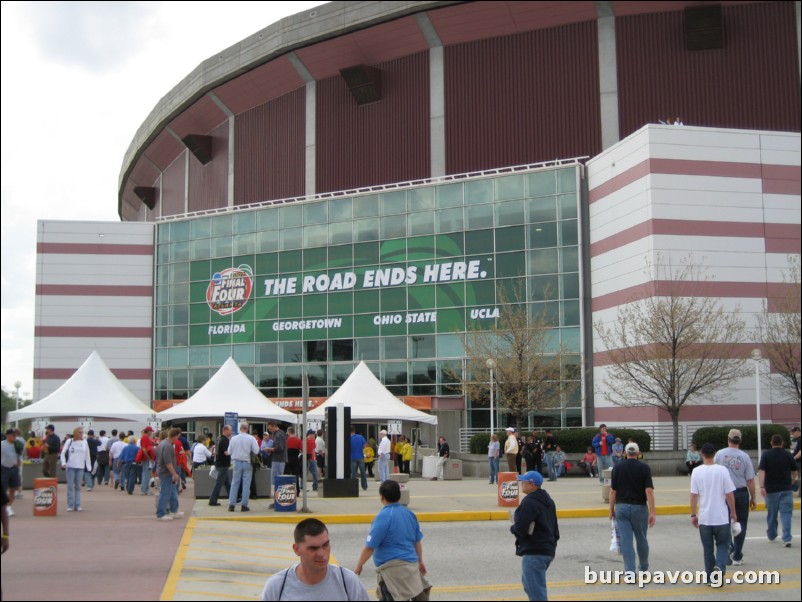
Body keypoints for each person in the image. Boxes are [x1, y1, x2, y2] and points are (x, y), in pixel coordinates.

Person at [354, 480, 430, 601]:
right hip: (411, 569)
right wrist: (420, 561)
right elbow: (417, 541)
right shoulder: (410, 514)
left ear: (382, 497)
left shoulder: (383, 517)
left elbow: (370, 547)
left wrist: (359, 566)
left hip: (392, 573)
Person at [261, 518, 369, 601]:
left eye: (325, 545)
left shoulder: (348, 582)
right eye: (313, 548)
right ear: (297, 549)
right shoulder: (277, 586)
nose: (322, 554)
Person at [690, 442, 737, 579]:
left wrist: (693, 514)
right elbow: (729, 494)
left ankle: (710, 576)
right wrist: (733, 512)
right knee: (723, 544)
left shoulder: (696, 471)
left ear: (702, 454)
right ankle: (720, 565)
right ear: (714, 454)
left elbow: (694, 495)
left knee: (708, 549)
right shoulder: (722, 470)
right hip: (721, 517)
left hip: (705, 517)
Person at [510, 471, 559, 601]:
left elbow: (520, 528)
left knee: (536, 592)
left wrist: (513, 527)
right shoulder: (549, 501)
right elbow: (554, 527)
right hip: (547, 550)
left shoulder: (529, 502)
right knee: (530, 586)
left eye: (524, 482)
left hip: (534, 551)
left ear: (532, 485)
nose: (521, 484)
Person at [609, 441, 656, 576]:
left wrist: (611, 510)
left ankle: (630, 572)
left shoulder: (617, 467)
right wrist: (652, 511)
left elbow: (613, 491)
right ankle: (643, 569)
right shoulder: (644, 468)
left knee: (626, 540)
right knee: (641, 538)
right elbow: (649, 491)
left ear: (624, 453)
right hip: (639, 507)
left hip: (622, 507)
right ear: (638, 453)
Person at [714, 429, 756, 565]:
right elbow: (750, 479)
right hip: (741, 492)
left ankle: (728, 546)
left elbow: (713, 473)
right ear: (740, 440)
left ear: (728, 439)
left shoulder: (719, 454)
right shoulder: (744, 456)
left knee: (724, 523)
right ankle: (737, 555)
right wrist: (753, 497)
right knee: (741, 523)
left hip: (724, 493)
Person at [758, 433, 798, 547]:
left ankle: (771, 535)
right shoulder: (787, 454)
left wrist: (761, 486)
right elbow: (794, 470)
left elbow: (762, 471)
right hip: (786, 488)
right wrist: (793, 480)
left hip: (771, 490)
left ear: (771, 443)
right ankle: (787, 538)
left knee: (772, 514)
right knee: (786, 514)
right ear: (782, 443)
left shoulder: (766, 455)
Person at [228, 422, 260, 512]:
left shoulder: (233, 438)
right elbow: (256, 451)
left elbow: (229, 451)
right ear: (247, 429)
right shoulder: (251, 438)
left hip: (236, 462)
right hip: (247, 462)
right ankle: (244, 505)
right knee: (246, 484)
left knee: (234, 483)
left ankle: (232, 504)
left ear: (240, 429)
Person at [60, 426, 93, 512]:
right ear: (75, 433)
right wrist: (63, 463)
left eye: (82, 432)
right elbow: (63, 453)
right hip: (70, 466)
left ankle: (77, 505)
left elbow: (87, 455)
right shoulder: (69, 441)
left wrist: (88, 467)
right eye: (80, 432)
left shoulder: (84, 442)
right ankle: (70, 505)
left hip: (80, 467)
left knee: (78, 486)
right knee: (70, 486)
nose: (81, 434)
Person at [156, 428, 184, 521]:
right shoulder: (168, 446)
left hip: (163, 471)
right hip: (166, 472)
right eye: (178, 437)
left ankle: (174, 510)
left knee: (172, 492)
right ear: (175, 436)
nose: (178, 439)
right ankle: (161, 514)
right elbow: (168, 462)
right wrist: (174, 473)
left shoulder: (163, 443)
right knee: (165, 493)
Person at [209, 425, 232, 506]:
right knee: (219, 483)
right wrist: (233, 452)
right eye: (230, 430)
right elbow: (226, 452)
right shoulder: (225, 440)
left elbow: (216, 451)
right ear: (225, 430)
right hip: (223, 464)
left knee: (227, 482)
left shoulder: (218, 438)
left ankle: (233, 497)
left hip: (219, 463)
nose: (231, 432)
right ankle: (212, 500)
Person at [266, 421, 287, 510]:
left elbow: (280, 448)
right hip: (279, 460)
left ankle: (277, 501)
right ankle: (277, 500)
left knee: (277, 481)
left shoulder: (278, 435)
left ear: (274, 426)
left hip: (278, 460)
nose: (269, 430)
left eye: (270, 428)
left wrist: (269, 449)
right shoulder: (280, 434)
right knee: (277, 481)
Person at [1, 430, 22, 516]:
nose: (14, 437)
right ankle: (4, 506)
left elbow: (19, 454)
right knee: (3, 489)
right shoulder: (2, 444)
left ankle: (9, 507)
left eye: (15, 435)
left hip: (14, 468)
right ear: (7, 435)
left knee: (13, 489)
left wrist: (19, 460)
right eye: (12, 435)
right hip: (4, 468)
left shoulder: (17, 444)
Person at [791, 427, 801, 498]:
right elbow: (792, 450)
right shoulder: (794, 440)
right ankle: (794, 489)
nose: (792, 433)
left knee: (799, 477)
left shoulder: (800, 440)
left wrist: (794, 458)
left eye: (793, 432)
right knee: (793, 476)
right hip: (793, 461)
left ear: (798, 431)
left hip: (799, 461)